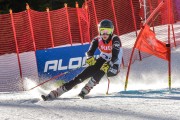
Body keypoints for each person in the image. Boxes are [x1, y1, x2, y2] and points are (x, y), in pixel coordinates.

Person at [41, 19, 123, 101]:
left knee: (104, 68)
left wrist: (109, 63)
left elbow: (115, 57)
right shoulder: (97, 40)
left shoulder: (115, 40)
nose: (105, 34)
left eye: (107, 31)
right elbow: (89, 52)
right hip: (102, 60)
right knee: (82, 76)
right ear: (99, 31)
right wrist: (89, 58)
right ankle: (58, 91)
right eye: (102, 31)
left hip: (114, 65)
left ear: (111, 31)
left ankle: (87, 88)